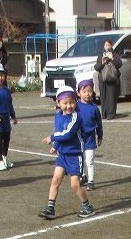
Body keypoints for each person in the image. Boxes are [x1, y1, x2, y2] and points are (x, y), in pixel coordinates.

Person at [38, 86, 94, 219]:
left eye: (72, 102)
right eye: (65, 103)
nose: (69, 106)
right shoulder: (58, 116)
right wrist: (56, 146)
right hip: (62, 156)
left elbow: (67, 133)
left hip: (75, 156)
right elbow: (60, 132)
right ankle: (50, 208)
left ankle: (87, 206)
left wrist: (52, 138)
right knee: (55, 180)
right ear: (58, 103)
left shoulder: (76, 117)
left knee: (75, 185)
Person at [76, 78, 104, 190]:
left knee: (89, 160)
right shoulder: (75, 106)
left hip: (90, 138)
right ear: (78, 93)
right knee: (79, 158)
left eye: (90, 91)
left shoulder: (94, 109)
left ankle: (91, 181)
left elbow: (99, 124)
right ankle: (82, 176)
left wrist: (100, 136)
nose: (87, 94)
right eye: (84, 91)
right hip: (78, 138)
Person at [94, 39, 122, 119]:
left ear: (111, 46)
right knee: (103, 97)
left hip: (112, 79)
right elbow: (97, 67)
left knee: (111, 97)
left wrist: (112, 59)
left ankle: (111, 113)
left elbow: (119, 64)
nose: (107, 47)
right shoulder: (101, 55)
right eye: (106, 45)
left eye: (109, 45)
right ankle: (104, 113)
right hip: (103, 80)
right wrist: (102, 63)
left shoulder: (115, 54)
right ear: (104, 46)